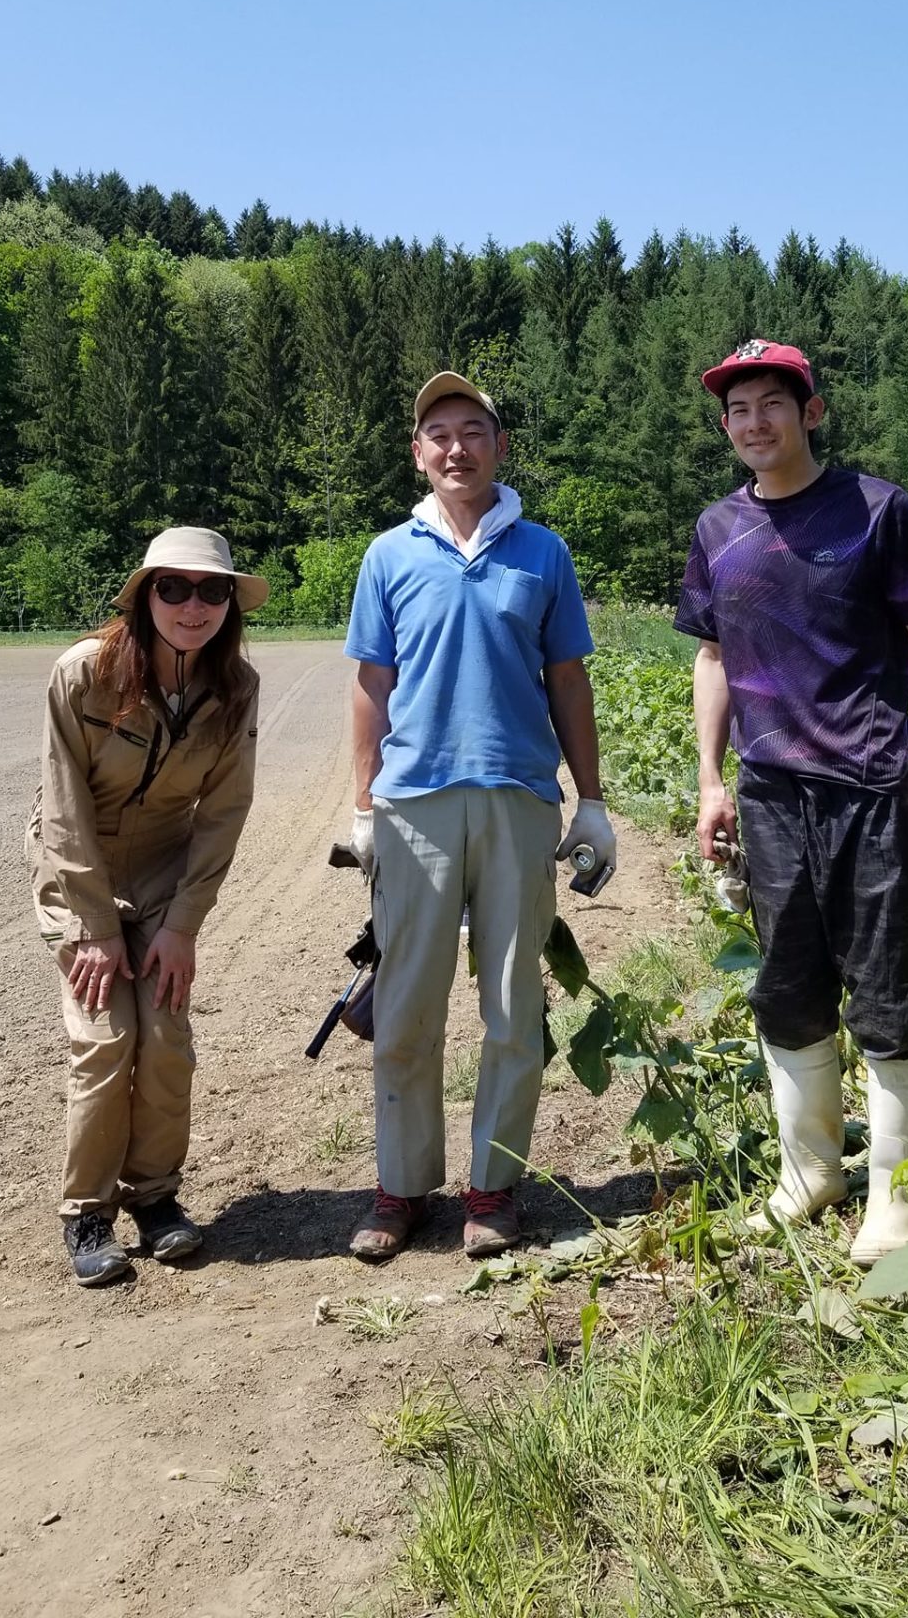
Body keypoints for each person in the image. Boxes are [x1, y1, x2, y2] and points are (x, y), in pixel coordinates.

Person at [675, 340, 908, 1267]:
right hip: (770, 798)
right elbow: (714, 658)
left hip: (874, 790)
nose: (754, 422)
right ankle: (813, 1171)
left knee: (888, 991)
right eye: (738, 410)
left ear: (810, 412)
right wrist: (711, 782)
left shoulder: (878, 510)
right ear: (726, 426)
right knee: (788, 986)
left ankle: (897, 1194)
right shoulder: (717, 530)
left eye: (772, 403)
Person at [343, 373, 614, 1263]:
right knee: (407, 1003)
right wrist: (361, 805)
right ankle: (401, 1187)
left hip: (518, 800)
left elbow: (567, 680)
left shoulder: (543, 553)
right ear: (417, 454)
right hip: (413, 803)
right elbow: (370, 687)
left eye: (472, 430)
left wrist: (595, 801)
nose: (455, 447)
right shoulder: (389, 554)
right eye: (437, 434)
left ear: (499, 446)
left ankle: (493, 1189)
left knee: (510, 1006)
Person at [27, 527, 267, 1287]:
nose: (193, 606)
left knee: (163, 1034)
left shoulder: (236, 689)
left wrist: (182, 926)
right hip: (78, 869)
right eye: (174, 588)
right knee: (105, 1036)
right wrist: (95, 929)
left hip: (165, 873)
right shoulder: (83, 673)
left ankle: (156, 1198)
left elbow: (224, 811)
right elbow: (61, 810)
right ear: (144, 595)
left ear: (230, 603)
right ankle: (87, 1213)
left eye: (212, 590)